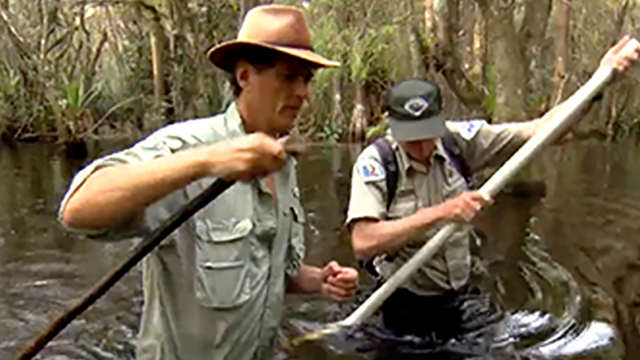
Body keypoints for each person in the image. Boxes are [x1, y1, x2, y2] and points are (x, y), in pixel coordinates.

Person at [58, 5, 359, 360]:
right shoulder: (188, 147)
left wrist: (314, 280)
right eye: (289, 76)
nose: (303, 92)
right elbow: (77, 209)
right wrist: (208, 161)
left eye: (307, 79)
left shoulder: (281, 162)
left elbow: (264, 268)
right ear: (245, 76)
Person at [346, 36, 640, 346]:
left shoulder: (458, 141)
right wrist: (440, 213)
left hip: (459, 298)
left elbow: (542, 129)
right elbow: (363, 242)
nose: (421, 147)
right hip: (403, 302)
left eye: (427, 135)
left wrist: (598, 82)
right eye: (411, 138)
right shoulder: (377, 164)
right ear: (392, 127)